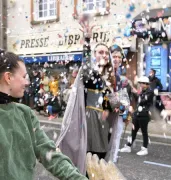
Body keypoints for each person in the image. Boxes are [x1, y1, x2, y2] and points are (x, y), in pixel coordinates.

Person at [0, 51, 87, 180]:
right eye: (24, 77)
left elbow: (49, 154)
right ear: (8, 77)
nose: (27, 82)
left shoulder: (25, 114)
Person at [56, 15, 114, 175]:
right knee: (90, 158)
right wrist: (87, 42)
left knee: (102, 159)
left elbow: (109, 98)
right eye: (100, 52)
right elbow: (87, 64)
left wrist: (112, 107)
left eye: (105, 53)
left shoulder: (109, 77)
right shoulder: (91, 74)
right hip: (91, 121)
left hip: (104, 124)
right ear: (95, 55)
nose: (103, 55)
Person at [120, 76, 153, 156]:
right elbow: (137, 100)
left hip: (144, 115)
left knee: (144, 132)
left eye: (142, 83)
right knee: (133, 131)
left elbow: (142, 101)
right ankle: (128, 146)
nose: (141, 84)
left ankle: (145, 148)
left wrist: (136, 93)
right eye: (140, 83)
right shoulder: (142, 91)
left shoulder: (150, 92)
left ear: (146, 84)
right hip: (137, 114)